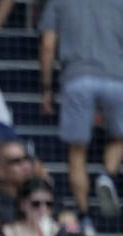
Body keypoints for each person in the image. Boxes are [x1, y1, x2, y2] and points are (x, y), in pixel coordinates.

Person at [38, 0, 123, 218]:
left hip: (77, 80)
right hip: (117, 79)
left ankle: (84, 215)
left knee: (77, 152)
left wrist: (46, 89)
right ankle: (108, 174)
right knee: (119, 137)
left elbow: (48, 45)